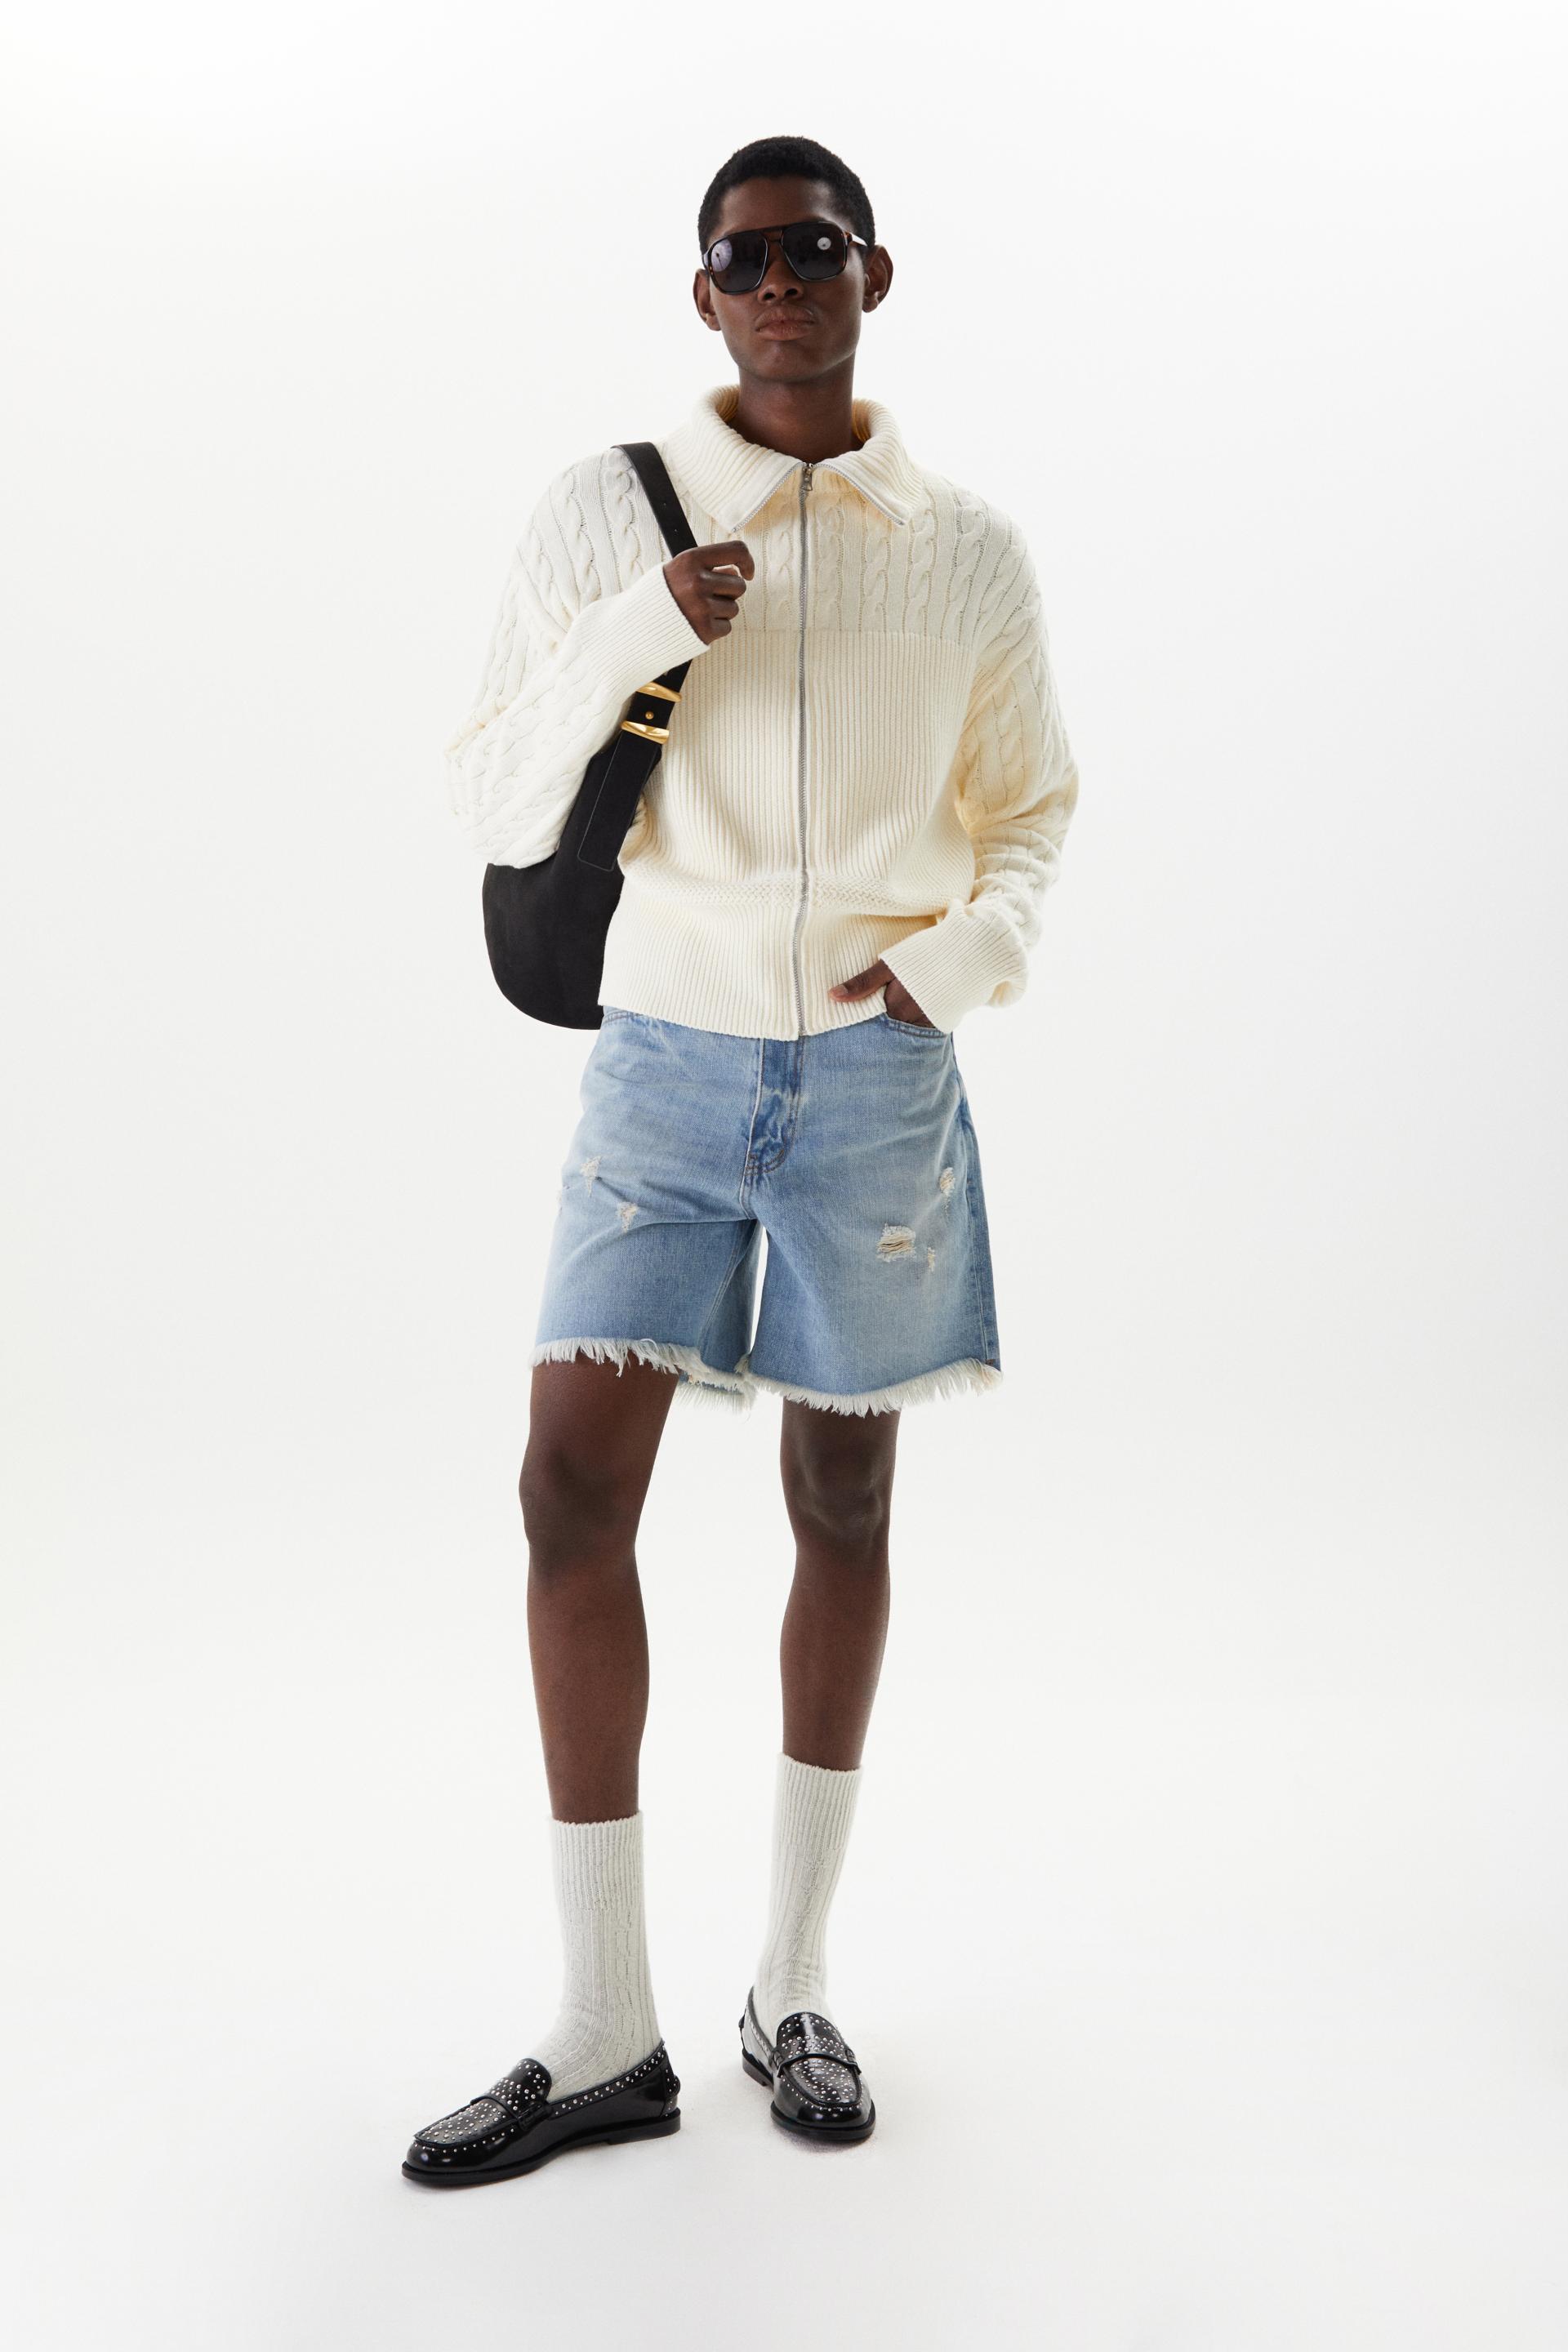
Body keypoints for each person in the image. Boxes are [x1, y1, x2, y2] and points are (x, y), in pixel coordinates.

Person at [403, 133, 1080, 2185]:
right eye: (744, 256)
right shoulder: (610, 511)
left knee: (843, 1497)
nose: (782, 280)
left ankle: (792, 1984)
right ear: (702, 294)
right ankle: (604, 2027)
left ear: (875, 275)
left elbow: (1034, 811)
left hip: (876, 1076)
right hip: (666, 1069)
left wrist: (953, 966)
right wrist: (644, 619)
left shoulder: (963, 549)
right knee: (565, 1491)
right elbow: (492, 789)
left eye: (816, 248)